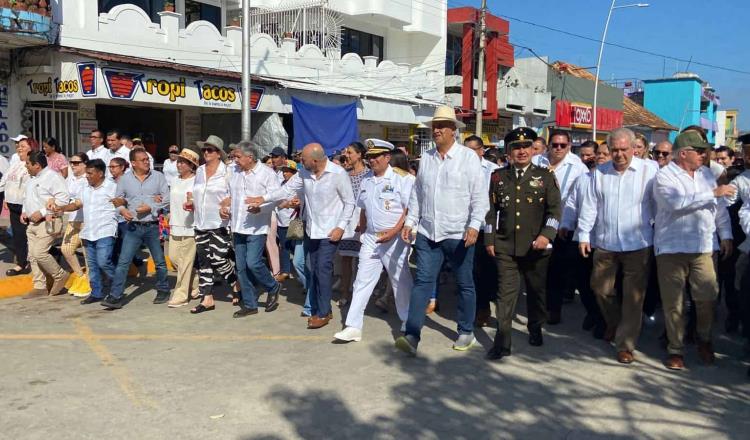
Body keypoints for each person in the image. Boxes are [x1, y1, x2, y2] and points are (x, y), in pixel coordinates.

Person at [395, 105, 487, 356]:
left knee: (465, 283)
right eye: (434, 126)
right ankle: (412, 335)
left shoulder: (468, 158)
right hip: (428, 232)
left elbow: (479, 196)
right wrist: (410, 222)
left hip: (458, 233)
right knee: (423, 282)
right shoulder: (427, 158)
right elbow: (418, 194)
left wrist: (474, 225)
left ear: (453, 131)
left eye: (441, 126)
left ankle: (466, 331)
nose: (436, 130)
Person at [248, 143, 355, 329]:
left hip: (330, 233)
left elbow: (349, 203)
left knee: (322, 269)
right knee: (312, 270)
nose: (300, 162)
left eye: (303, 159)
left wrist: (341, 227)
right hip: (311, 230)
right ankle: (320, 307)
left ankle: (322, 312)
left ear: (315, 160)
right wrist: (263, 198)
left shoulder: (338, 174)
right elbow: (285, 190)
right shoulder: (304, 173)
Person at [654, 130, 735, 370]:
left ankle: (704, 339)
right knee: (674, 303)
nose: (704, 155)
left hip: (703, 246)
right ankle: (675, 349)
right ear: (683, 153)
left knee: (707, 297)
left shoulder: (707, 175)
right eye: (699, 151)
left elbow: (719, 209)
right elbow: (675, 203)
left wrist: (726, 235)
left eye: (704, 151)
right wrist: (712, 193)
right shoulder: (664, 176)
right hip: (671, 247)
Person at [577, 128, 658, 364]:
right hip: (605, 242)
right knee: (600, 289)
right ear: (609, 150)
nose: (620, 154)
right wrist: (584, 235)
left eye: (624, 149)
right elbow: (590, 206)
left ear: (634, 149)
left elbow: (659, 203)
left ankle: (625, 344)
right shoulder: (599, 173)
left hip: (639, 243)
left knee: (634, 297)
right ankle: (615, 323)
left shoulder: (649, 171)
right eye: (615, 150)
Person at [483, 128, 561, 360]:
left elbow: (555, 211)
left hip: (536, 248)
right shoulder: (497, 177)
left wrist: (547, 235)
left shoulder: (545, 176)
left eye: (526, 146)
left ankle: (535, 326)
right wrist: (489, 238)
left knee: (536, 292)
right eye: (516, 147)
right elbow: (490, 212)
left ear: (533, 149)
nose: (522, 151)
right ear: (508, 152)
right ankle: (502, 342)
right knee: (505, 296)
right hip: (506, 246)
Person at [334, 139, 414, 342]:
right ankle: (353, 326)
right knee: (362, 280)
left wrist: (395, 231)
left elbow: (408, 210)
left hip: (394, 238)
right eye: (369, 157)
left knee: (399, 279)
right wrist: (362, 231)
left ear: (387, 157)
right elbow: (363, 206)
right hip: (371, 236)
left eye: (376, 157)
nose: (372, 161)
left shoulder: (402, 179)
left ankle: (408, 321)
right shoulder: (367, 179)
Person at [533, 130, 589, 324]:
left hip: (562, 227)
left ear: (569, 145)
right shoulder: (537, 161)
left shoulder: (578, 167)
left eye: (562, 145)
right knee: (537, 271)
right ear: (548, 144)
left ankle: (553, 309)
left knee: (556, 271)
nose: (558, 149)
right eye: (554, 145)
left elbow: (579, 200)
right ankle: (539, 307)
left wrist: (570, 224)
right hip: (537, 224)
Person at [103, 148, 170, 309]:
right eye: (143, 160)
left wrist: (151, 207)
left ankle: (163, 289)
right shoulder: (124, 180)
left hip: (152, 226)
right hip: (133, 227)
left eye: (147, 159)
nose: (147, 162)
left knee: (160, 261)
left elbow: (167, 199)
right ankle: (115, 296)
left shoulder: (158, 177)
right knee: (123, 262)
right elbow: (118, 200)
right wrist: (122, 210)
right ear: (133, 163)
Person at [225, 142, 283, 317]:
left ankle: (273, 286)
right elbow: (230, 196)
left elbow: (277, 198)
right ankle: (250, 304)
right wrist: (225, 209)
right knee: (241, 267)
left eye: (238, 157)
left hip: (257, 226)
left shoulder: (266, 173)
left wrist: (262, 208)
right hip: (237, 226)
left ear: (250, 157)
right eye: (234, 157)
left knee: (253, 262)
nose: (235, 160)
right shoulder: (234, 172)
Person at [53, 159, 118, 305]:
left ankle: (117, 288)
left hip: (105, 231)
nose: (87, 176)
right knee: (93, 266)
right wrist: (62, 208)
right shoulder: (85, 188)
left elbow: (121, 204)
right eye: (87, 173)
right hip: (88, 232)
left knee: (103, 262)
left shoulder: (112, 187)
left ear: (100, 174)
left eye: (90, 173)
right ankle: (96, 293)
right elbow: (77, 204)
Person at [188, 135, 239, 314]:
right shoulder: (200, 171)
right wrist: (190, 201)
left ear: (219, 153)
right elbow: (197, 193)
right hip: (200, 222)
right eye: (204, 150)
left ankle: (235, 282)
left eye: (210, 150)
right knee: (203, 261)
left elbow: (236, 195)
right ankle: (207, 298)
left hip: (219, 222)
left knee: (218, 259)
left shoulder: (228, 172)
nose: (206, 153)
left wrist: (228, 201)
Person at [560, 140, 605, 338]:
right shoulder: (584, 178)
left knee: (602, 284)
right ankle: (593, 312)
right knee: (582, 279)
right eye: (600, 154)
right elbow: (572, 204)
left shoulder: (614, 178)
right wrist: (566, 224)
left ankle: (604, 319)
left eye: (604, 154)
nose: (600, 157)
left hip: (605, 240)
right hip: (582, 237)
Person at [21, 151, 70, 298]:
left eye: (28, 163)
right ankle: (40, 286)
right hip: (32, 224)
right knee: (32, 256)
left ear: (36, 165)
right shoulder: (31, 179)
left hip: (49, 221)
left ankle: (60, 275)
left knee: (40, 253)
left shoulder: (53, 177)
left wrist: (42, 212)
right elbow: (26, 198)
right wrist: (25, 212)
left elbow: (63, 199)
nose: (26, 166)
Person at [464, 135, 499, 327]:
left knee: (486, 271)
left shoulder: (494, 171)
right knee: (471, 271)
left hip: (487, 228)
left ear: (481, 151)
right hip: (465, 226)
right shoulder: (459, 169)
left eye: (472, 150)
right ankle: (478, 307)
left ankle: (485, 307)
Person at [337, 141, 370, 307]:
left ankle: (360, 295)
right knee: (346, 259)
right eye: (346, 153)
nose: (347, 156)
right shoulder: (343, 174)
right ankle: (344, 292)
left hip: (364, 219)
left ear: (359, 154)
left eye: (350, 152)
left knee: (363, 260)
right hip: (347, 221)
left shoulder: (369, 175)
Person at [166, 148, 199, 308]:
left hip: (190, 225)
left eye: (183, 162)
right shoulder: (174, 180)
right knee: (173, 258)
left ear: (191, 165)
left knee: (185, 261)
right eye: (178, 161)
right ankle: (196, 281)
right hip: (175, 224)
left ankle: (180, 295)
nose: (179, 164)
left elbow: (199, 201)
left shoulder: (197, 181)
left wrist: (192, 203)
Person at [0, 137, 33, 276]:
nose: (19, 148)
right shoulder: (15, 163)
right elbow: (5, 180)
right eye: (18, 146)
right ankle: (21, 263)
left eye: (23, 146)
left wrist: (25, 208)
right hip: (13, 204)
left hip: (25, 206)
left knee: (28, 235)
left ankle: (30, 262)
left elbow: (30, 188)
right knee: (18, 236)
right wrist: (6, 198)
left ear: (31, 148)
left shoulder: (31, 164)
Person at [61, 152, 92, 297]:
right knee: (66, 249)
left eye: (77, 163)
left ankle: (91, 282)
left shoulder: (89, 179)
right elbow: (64, 197)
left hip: (87, 220)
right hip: (73, 219)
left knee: (88, 253)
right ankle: (80, 276)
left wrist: (63, 208)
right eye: (71, 162)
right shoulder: (70, 179)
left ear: (85, 164)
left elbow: (79, 203)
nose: (73, 165)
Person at [275, 160, 306, 289]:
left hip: (294, 220)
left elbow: (301, 202)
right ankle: (286, 271)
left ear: (294, 172)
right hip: (281, 220)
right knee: (284, 246)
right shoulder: (281, 184)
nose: (285, 173)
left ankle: (303, 276)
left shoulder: (299, 186)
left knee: (295, 248)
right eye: (283, 171)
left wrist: (295, 204)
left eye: (288, 171)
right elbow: (278, 200)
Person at [266, 146, 288, 280]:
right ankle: (277, 270)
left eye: (276, 157)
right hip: (272, 212)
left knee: (284, 244)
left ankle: (282, 270)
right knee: (272, 243)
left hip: (285, 213)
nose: (273, 159)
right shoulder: (269, 172)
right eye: (272, 157)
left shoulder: (288, 172)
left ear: (283, 158)